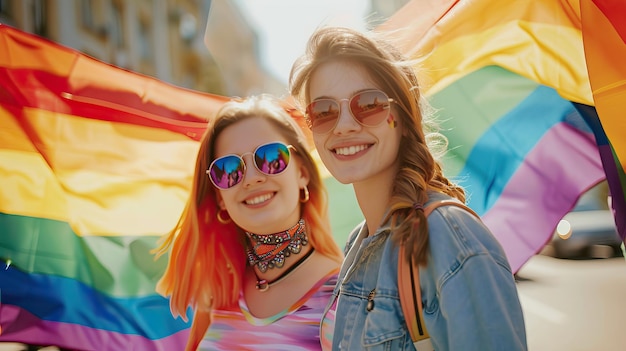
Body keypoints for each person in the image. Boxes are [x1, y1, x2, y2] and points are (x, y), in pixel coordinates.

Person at [289, 27, 527, 350]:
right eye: (324, 111)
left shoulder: (450, 237)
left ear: (401, 116)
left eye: (369, 104)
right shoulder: (357, 244)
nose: (343, 125)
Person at [154, 95, 344, 351]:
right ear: (220, 198)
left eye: (270, 157)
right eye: (229, 169)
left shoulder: (344, 296)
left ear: (302, 172)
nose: (252, 178)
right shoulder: (218, 295)